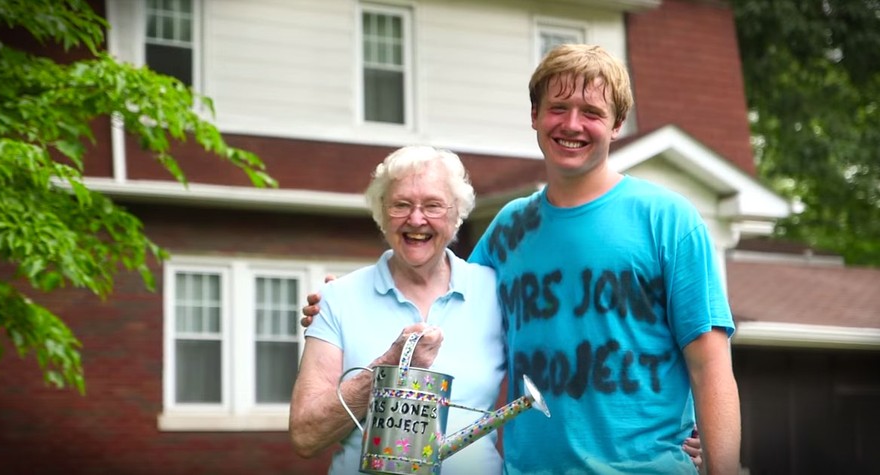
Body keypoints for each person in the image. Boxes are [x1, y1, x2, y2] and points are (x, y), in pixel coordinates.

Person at [301, 43, 736, 474]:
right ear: (534, 115)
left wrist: (721, 466)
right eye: (558, 107)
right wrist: (347, 300)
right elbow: (444, 288)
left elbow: (711, 367)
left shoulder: (668, 221)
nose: (572, 124)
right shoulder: (511, 228)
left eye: (592, 113)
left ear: (617, 124)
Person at [289, 145, 508, 474]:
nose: (416, 219)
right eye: (401, 205)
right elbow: (306, 436)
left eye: (433, 205)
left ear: (456, 213)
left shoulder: (498, 292)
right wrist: (389, 369)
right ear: (381, 212)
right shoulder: (338, 298)